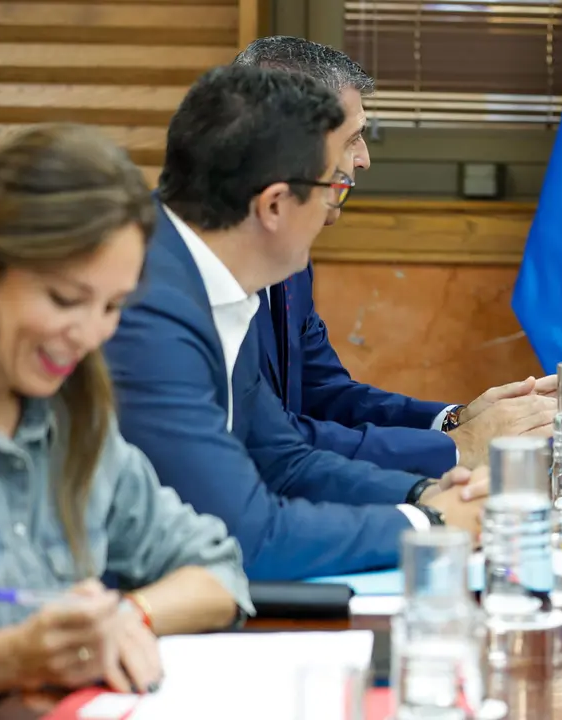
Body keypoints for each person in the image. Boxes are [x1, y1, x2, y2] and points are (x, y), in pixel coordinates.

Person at [103, 65, 493, 582]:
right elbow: (244, 536)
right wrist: (431, 524)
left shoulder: (216, 277)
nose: (337, 203)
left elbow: (282, 459)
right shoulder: (147, 311)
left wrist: (423, 493)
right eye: (335, 186)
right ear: (274, 204)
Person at [0, 124, 252, 705]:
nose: (90, 334)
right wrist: (17, 659)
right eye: (66, 300)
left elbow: (218, 571)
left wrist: (125, 618)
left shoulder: (79, 427)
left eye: (113, 306)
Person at [231, 36, 557, 478]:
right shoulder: (189, 276)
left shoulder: (291, 256)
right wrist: (459, 449)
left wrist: (456, 421)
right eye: (352, 139)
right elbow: (266, 445)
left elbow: (323, 394)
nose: (364, 159)